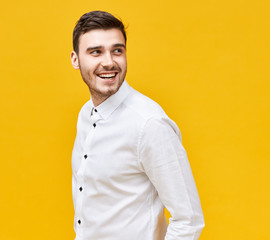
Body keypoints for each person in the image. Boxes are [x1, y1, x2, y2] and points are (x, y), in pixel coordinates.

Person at [70, 11, 204, 240]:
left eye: (117, 50)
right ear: (75, 59)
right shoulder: (86, 115)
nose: (109, 62)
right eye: (95, 52)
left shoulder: (149, 125)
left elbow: (188, 220)